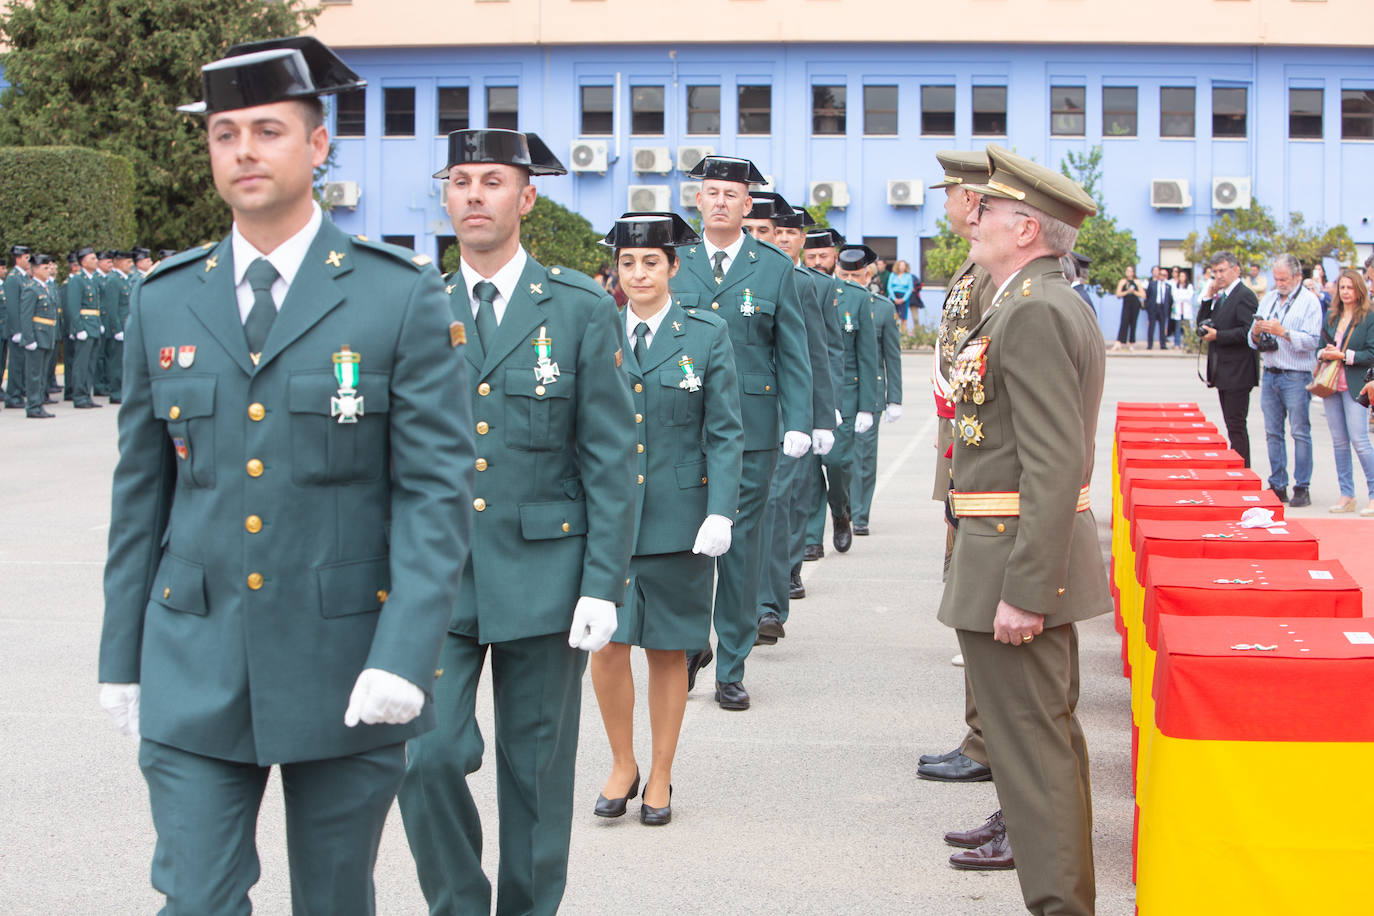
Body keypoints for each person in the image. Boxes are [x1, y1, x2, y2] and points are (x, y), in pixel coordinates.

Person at [97, 37, 474, 915]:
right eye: (224, 133)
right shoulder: (164, 297)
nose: (243, 151)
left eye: (268, 130)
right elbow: (139, 495)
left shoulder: (396, 294)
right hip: (194, 660)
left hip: (345, 661)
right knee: (196, 898)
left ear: (318, 145)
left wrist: (405, 653)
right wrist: (123, 654)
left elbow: (433, 493)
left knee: (336, 900)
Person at [397, 126, 636, 914]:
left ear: (526, 198)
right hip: (435, 581)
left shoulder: (575, 308)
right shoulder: (414, 307)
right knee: (421, 755)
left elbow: (608, 455)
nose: (473, 193)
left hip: (545, 577)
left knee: (535, 776)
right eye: (460, 179)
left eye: (492, 180)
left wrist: (604, 583)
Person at [940, 143, 1109, 914]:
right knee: (1042, 749)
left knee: (1035, 757)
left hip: (1014, 561)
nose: (976, 220)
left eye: (993, 213)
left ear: (1029, 232)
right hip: (1003, 552)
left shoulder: (1035, 309)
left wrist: (1028, 589)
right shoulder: (1029, 300)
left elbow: (1052, 462)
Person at [589, 212, 744, 826]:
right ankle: (622, 762)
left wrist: (721, 510)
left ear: (674, 267)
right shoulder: (597, 332)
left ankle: (660, 774)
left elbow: (725, 431)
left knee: (666, 650)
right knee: (607, 645)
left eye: (651, 262)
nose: (639, 273)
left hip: (680, 521)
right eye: (628, 263)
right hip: (609, 521)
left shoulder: (705, 334)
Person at [669, 155, 812, 711]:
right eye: (712, 192)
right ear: (698, 202)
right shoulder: (674, 260)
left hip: (752, 431)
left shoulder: (773, 267)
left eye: (732, 194)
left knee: (740, 547)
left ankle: (731, 661)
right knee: (681, 546)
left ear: (748, 206)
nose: (722, 201)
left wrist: (799, 421)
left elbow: (792, 351)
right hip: (681, 426)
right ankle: (683, 647)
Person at [920, 150, 996, 786]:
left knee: (973, 587)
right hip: (960, 444)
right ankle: (980, 735)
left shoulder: (993, 273)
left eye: (950, 194)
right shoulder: (975, 266)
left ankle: (986, 740)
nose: (944, 204)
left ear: (973, 201)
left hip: (976, 452)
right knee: (962, 581)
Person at [748, 194, 837, 646]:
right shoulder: (699, 271)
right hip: (719, 413)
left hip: (780, 411)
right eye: (754, 230)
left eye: (767, 231)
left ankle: (767, 604)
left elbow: (813, 355)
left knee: (774, 503)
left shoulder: (796, 280)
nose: (760, 240)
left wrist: (820, 416)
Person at [804, 244, 880, 556]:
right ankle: (809, 539)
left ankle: (840, 510)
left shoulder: (856, 297)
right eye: (811, 257)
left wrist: (867, 406)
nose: (817, 262)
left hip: (843, 400)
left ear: (835, 258)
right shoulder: (794, 286)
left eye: (823, 256)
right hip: (805, 397)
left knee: (837, 465)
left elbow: (867, 356)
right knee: (806, 474)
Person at [1248, 253, 1322, 506]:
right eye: (1276, 278)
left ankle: (1302, 486)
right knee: (1272, 433)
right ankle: (1278, 484)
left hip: (1296, 374)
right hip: (1270, 373)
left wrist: (1284, 333)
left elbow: (1313, 341)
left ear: (1298, 277)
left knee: (1300, 432)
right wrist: (1257, 333)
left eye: (1284, 279)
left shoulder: (1310, 302)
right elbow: (1251, 339)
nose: (1279, 283)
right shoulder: (1268, 299)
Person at [1317, 269, 1374, 515]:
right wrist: (1324, 353)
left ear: (1359, 289)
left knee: (1360, 441)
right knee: (1339, 442)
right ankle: (1346, 494)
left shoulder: (1368, 316)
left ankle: (1373, 494)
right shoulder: (1331, 316)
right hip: (1330, 384)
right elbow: (1319, 347)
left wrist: (1343, 355)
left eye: (1350, 287)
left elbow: (1371, 353)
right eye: (1342, 287)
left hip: (1354, 384)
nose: (1346, 292)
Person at [850, 269, 902, 535]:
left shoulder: (882, 309)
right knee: (837, 459)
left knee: (864, 458)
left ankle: (859, 515)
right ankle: (842, 506)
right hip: (838, 393)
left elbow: (891, 355)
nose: (852, 279)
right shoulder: (831, 301)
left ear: (868, 274)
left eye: (857, 274)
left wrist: (895, 398)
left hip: (871, 394)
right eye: (846, 273)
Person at [1197, 250, 1260, 466]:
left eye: (1222, 270)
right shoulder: (1221, 296)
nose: (1218, 276)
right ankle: (1238, 467)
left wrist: (1219, 336)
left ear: (1236, 269)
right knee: (1231, 424)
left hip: (1239, 371)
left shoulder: (1244, 296)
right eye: (1214, 272)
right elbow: (1203, 322)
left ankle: (1243, 469)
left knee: (1236, 425)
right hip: (1223, 370)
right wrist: (1207, 297)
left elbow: (1248, 332)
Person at [18, 254, 59, 418]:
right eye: (45, 268)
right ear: (35, 269)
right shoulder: (31, 288)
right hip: (36, 337)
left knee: (42, 374)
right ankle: (33, 406)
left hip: (47, 336)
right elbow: (25, 316)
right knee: (34, 374)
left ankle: (38, 403)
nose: (48, 271)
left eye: (49, 267)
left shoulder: (45, 288)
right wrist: (29, 339)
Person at [4, 245, 33, 409]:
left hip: (25, 327)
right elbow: (13, 307)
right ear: (18, 258)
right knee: (16, 363)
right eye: (25, 258)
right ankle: (12, 396)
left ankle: (19, 392)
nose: (28, 261)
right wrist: (16, 330)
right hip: (18, 328)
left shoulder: (24, 278)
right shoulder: (13, 278)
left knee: (22, 363)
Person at [1112, 265, 1143, 351]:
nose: (1128, 272)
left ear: (1133, 272)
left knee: (1133, 323)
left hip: (1135, 304)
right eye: (1127, 271)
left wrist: (1134, 291)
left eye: (1130, 271)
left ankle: (1131, 342)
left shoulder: (1137, 282)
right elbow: (1118, 294)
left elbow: (1143, 294)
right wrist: (1127, 292)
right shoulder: (1122, 282)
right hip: (1126, 304)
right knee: (1124, 322)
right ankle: (1119, 341)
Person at [1143, 265, 1174, 350]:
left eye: (1164, 275)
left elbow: (1170, 299)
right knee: (1151, 327)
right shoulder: (1152, 284)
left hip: (1163, 308)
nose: (1162, 276)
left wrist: (1168, 309)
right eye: (1161, 274)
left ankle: (1163, 344)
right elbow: (1147, 297)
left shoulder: (1168, 286)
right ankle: (1150, 345)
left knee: (1162, 327)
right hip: (1153, 307)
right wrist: (1148, 308)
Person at [1170, 266, 1195, 349]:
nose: (1181, 278)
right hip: (1178, 310)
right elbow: (1175, 297)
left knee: (1186, 328)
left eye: (1183, 276)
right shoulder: (1175, 286)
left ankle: (1186, 344)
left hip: (1186, 310)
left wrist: (1181, 297)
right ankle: (1177, 344)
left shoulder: (1189, 286)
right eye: (1180, 276)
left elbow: (1189, 297)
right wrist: (1182, 296)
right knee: (1177, 328)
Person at [887, 259, 915, 331]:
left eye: (904, 266)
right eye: (901, 265)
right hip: (894, 296)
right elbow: (889, 287)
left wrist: (903, 299)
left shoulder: (908, 276)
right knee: (894, 316)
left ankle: (904, 334)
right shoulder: (892, 275)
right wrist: (894, 298)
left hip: (903, 297)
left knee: (903, 317)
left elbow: (910, 288)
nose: (902, 267)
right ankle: (894, 332)